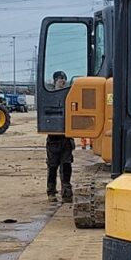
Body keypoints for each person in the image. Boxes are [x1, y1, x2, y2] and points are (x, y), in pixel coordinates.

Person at [46, 71, 75, 203]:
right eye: (59, 79)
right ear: (54, 81)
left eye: (64, 79)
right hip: (54, 139)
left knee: (66, 166)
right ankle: (51, 192)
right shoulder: (49, 97)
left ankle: (66, 192)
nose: (62, 81)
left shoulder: (70, 96)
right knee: (52, 166)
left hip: (66, 138)